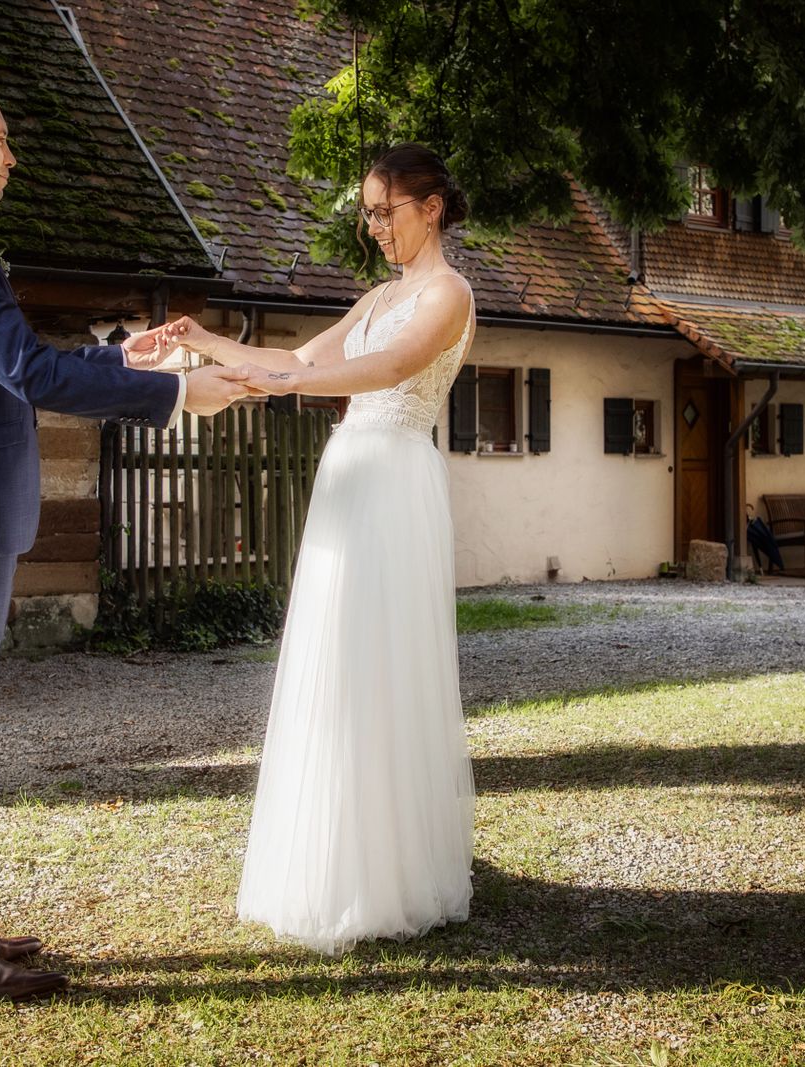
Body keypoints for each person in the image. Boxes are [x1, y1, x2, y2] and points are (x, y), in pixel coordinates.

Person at [0, 74, 248, 1006]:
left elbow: (3, 360)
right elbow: (28, 371)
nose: (12, 155)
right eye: (2, 137)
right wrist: (177, 393)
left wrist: (123, 356)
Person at [163, 143, 477, 953]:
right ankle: (332, 854)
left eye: (385, 211)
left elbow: (388, 368)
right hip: (348, 481)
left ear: (430, 207)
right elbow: (299, 358)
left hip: (397, 480)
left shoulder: (449, 294)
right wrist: (206, 344)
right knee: (334, 660)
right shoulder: (379, 293)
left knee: (382, 665)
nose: (374, 227)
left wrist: (288, 386)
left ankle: (389, 872)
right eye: (367, 212)